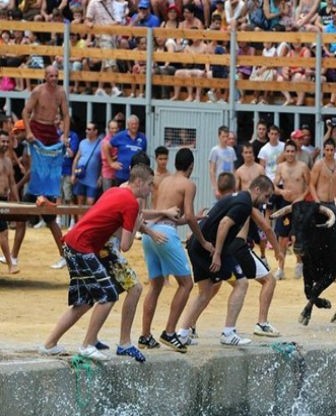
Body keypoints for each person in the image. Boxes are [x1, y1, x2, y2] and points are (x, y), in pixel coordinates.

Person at [39, 165, 153, 361]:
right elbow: (125, 246)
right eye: (150, 184)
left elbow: (109, 227)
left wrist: (133, 227)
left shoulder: (114, 191)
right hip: (82, 247)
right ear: (139, 182)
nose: (151, 189)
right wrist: (136, 226)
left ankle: (49, 344)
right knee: (108, 295)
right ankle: (88, 344)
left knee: (84, 302)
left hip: (73, 244)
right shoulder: (132, 203)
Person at [186, 175, 277, 345]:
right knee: (242, 283)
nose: (266, 201)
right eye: (266, 196)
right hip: (212, 249)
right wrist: (218, 254)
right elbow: (224, 224)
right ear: (257, 189)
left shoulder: (237, 198)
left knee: (205, 292)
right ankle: (229, 332)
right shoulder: (244, 203)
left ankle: (183, 333)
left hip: (197, 246)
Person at [140, 148, 214, 352]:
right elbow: (188, 216)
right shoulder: (188, 184)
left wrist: (192, 219)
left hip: (150, 232)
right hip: (166, 235)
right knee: (186, 284)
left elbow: (166, 215)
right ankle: (170, 332)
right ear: (191, 166)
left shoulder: (164, 181)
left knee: (155, 286)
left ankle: (145, 335)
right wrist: (203, 241)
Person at [12, 66, 71, 269]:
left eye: (56, 76)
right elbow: (25, 111)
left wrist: (64, 135)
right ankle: (13, 256)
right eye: (51, 76)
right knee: (35, 167)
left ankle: (15, 256)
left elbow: (65, 116)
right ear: (45, 77)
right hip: (37, 128)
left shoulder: (61, 92)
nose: (54, 79)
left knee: (48, 217)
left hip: (51, 133)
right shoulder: (38, 91)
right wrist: (28, 131)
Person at [274, 140, 310, 280]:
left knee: (298, 237)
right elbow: (274, 186)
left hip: (299, 204)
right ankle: (280, 268)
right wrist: (281, 192)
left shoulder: (303, 167)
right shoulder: (280, 167)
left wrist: (301, 197)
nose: (289, 154)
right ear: (284, 152)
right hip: (285, 204)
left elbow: (309, 185)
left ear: (296, 152)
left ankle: (299, 264)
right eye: (287, 151)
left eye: (292, 151)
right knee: (282, 238)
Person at [105, 115, 148, 187]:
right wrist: (111, 163)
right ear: (128, 125)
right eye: (132, 124)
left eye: (136, 124)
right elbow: (106, 146)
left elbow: (143, 154)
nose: (134, 126)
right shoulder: (121, 136)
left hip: (137, 177)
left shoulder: (142, 137)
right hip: (121, 176)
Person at [0, 130, 19, 274]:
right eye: (2, 141)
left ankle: (10, 264)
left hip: (4, 200)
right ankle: (10, 264)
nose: (5, 144)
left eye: (7, 141)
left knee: (4, 233)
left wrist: (17, 202)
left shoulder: (7, 160)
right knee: (3, 233)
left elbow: (12, 183)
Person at [209, 125, 237, 199]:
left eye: (227, 136)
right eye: (223, 136)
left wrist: (235, 184)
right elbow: (212, 170)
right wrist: (215, 188)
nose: (225, 139)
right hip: (220, 183)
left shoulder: (231, 150)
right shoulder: (215, 150)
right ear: (219, 136)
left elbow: (233, 169)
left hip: (230, 182)